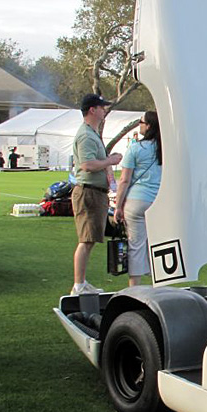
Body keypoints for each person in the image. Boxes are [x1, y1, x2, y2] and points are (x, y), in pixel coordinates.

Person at [71, 93, 122, 296]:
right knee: (86, 240)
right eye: (101, 107)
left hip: (96, 192)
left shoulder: (92, 133)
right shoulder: (85, 135)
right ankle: (78, 285)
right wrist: (110, 161)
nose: (104, 110)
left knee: (90, 239)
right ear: (92, 110)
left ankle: (82, 282)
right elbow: (87, 165)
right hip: (88, 192)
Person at [115, 111, 163, 287]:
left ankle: (135, 287)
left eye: (141, 122)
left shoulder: (136, 148)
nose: (139, 125)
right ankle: (158, 285)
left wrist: (118, 206)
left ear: (148, 126)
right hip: (158, 201)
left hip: (137, 200)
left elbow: (125, 180)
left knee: (136, 245)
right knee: (157, 245)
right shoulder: (165, 149)